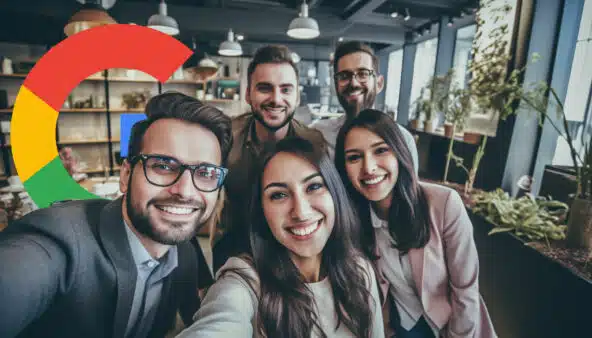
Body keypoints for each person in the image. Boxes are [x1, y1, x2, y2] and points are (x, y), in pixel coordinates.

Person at [0, 92, 233, 338]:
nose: (185, 191)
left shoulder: (183, 251)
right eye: (163, 166)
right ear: (126, 175)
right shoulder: (56, 242)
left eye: (206, 173)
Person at [176, 137, 384, 338]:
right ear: (262, 211)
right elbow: (221, 320)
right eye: (279, 195)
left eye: (313, 187)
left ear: (335, 194)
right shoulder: (246, 282)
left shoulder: (360, 270)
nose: (301, 212)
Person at [334, 109, 497, 338]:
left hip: (453, 326)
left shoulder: (444, 204)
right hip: (400, 327)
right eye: (354, 157)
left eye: (380, 150)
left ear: (399, 153)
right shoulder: (352, 219)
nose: (368, 167)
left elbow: (465, 290)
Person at [212, 44, 326, 273]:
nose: (276, 99)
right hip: (235, 246)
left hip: (291, 249)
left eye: (286, 89)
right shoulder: (226, 137)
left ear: (296, 96)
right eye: (265, 88)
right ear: (248, 93)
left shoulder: (313, 142)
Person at [310, 41, 419, 173]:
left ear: (379, 84)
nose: (354, 83)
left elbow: (410, 190)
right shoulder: (318, 135)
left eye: (363, 74)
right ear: (336, 85)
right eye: (344, 76)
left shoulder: (402, 139)